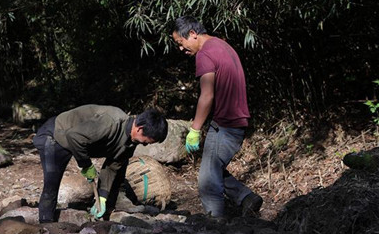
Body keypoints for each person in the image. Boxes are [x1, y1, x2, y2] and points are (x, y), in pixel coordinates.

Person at [172, 15, 263, 218]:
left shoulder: (204, 54)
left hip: (225, 125)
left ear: (193, 34)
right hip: (239, 121)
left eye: (180, 42)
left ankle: (215, 223)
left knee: (207, 181)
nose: (181, 48)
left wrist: (195, 129)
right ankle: (245, 197)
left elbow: (207, 95)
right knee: (214, 169)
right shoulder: (222, 45)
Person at [33, 104, 168, 223]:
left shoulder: (131, 142)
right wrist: (86, 165)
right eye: (146, 142)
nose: (144, 145)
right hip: (55, 134)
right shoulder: (110, 123)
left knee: (122, 163)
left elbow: (112, 167)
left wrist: (102, 196)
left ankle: (110, 207)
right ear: (139, 129)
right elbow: (74, 137)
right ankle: (46, 223)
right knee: (52, 182)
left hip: (77, 139)